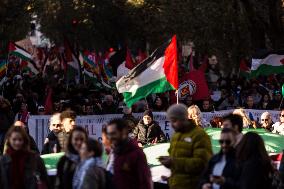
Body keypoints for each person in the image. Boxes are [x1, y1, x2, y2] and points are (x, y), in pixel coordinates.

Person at [159, 104, 212, 189]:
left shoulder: (199, 135)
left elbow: (202, 163)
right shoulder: (176, 136)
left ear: (184, 118)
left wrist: (173, 162)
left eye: (174, 121)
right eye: (171, 121)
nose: (172, 125)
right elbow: (178, 166)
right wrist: (171, 179)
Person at [106, 118, 152, 189]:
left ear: (123, 132)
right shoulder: (115, 152)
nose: (110, 137)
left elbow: (145, 182)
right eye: (108, 134)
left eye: (113, 133)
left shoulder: (137, 154)